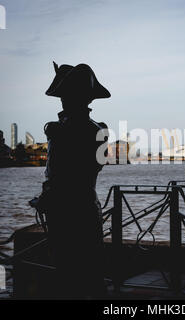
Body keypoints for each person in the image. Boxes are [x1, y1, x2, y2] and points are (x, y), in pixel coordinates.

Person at [38, 62, 110, 299]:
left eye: (66, 95)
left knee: (71, 273)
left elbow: (68, 174)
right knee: (84, 273)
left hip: (70, 211)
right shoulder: (94, 130)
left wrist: (49, 195)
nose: (62, 100)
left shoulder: (67, 130)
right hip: (82, 208)